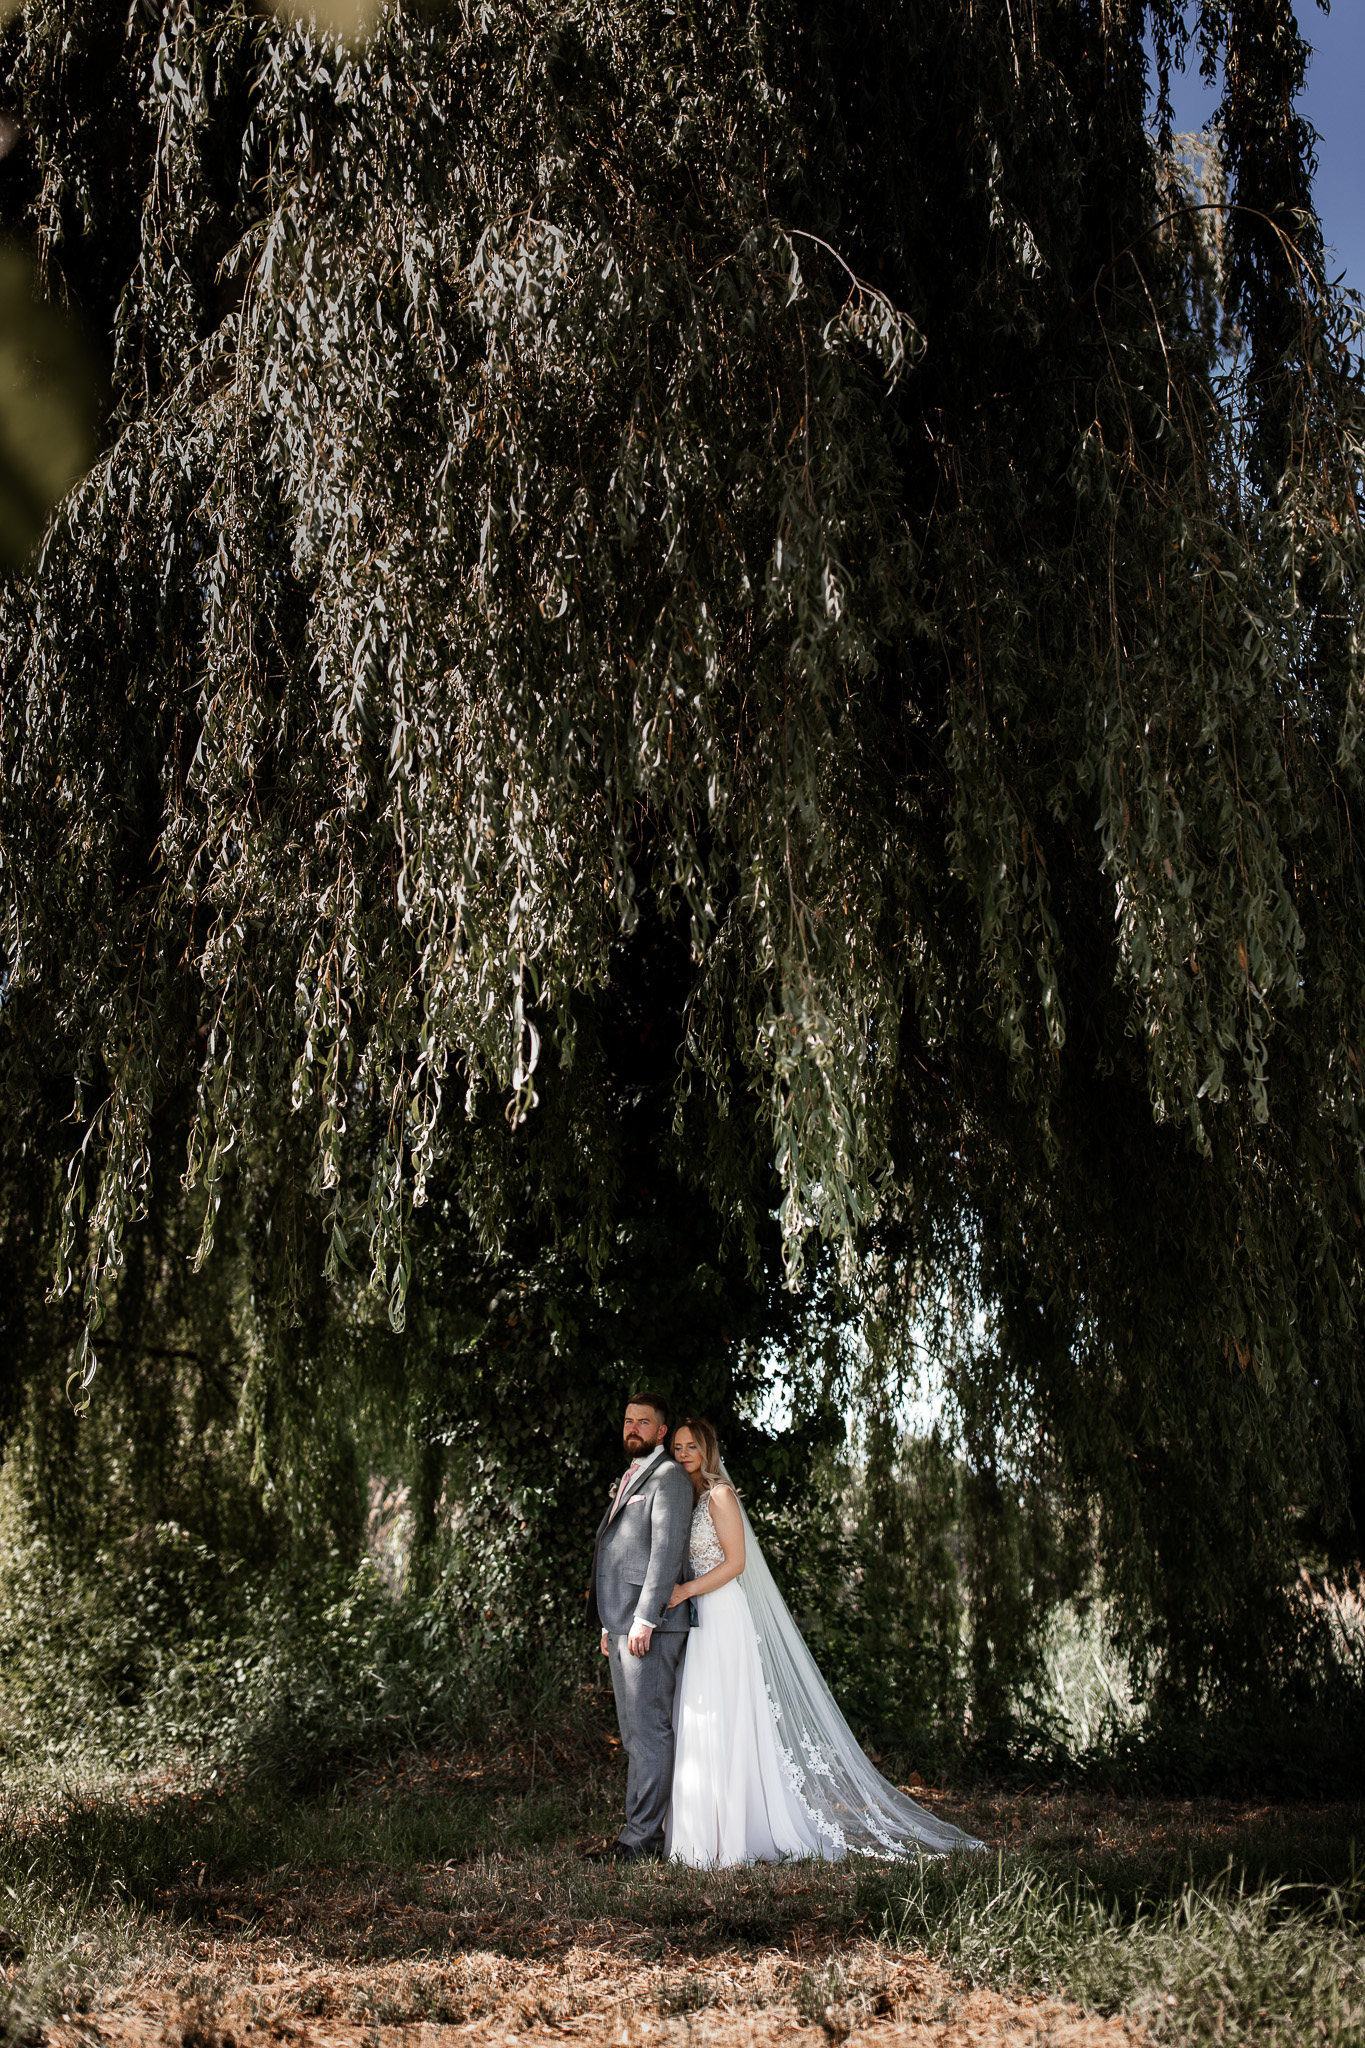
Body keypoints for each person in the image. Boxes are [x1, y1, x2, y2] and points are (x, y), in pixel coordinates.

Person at [664, 1416, 983, 1867]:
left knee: (724, 1714)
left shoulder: (719, 1495)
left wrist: (685, 1591)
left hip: (722, 1616)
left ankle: (730, 1838)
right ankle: (699, 1838)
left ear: (707, 1449)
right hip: (701, 1621)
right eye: (677, 1447)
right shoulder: (693, 1499)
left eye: (690, 1445)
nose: (682, 1454)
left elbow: (736, 1563)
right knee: (702, 1714)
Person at [586, 1391, 695, 1861]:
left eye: (643, 1422)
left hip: (649, 1625)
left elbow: (666, 1553)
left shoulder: (668, 1477)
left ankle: (640, 1843)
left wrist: (645, 1618)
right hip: (623, 1622)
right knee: (634, 1736)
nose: (633, 1428)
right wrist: (610, 1623)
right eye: (629, 1420)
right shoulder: (633, 1475)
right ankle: (638, 1833)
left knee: (648, 1733)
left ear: (661, 1432)